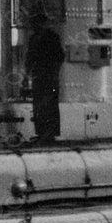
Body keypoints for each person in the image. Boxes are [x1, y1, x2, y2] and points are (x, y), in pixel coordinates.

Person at [24, 12, 66, 143]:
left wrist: (52, 71)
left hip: (47, 76)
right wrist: (26, 74)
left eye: (35, 24)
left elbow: (59, 57)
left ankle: (49, 134)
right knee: (39, 105)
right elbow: (29, 58)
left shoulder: (51, 37)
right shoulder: (35, 38)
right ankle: (43, 133)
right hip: (40, 76)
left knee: (48, 104)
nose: (33, 26)